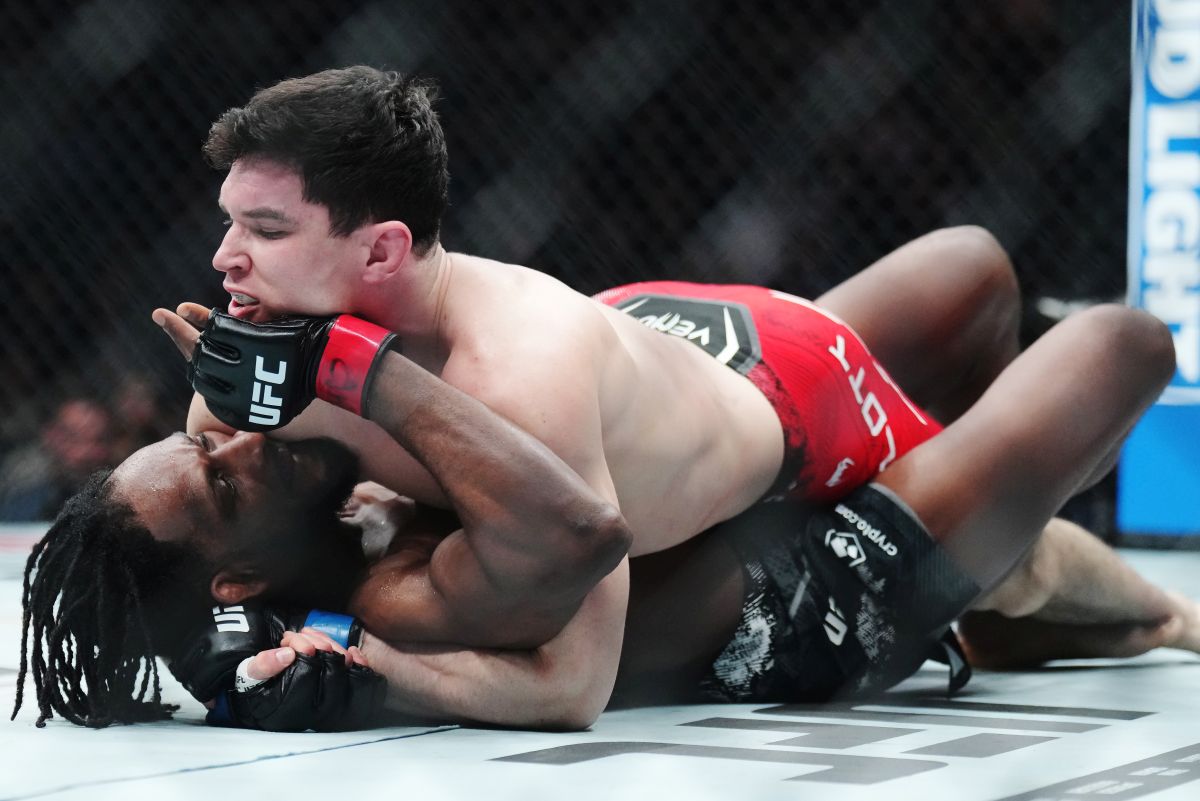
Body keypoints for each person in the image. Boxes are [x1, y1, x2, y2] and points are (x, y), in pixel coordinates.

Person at [13, 66, 1196, 730]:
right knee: (974, 265)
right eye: (229, 225)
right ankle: (1006, 521)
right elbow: (191, 521)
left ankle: (1000, 517)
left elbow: (575, 671)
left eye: (261, 230)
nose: (222, 260)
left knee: (1106, 335)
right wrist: (269, 636)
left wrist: (361, 661)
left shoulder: (512, 382)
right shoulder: (264, 383)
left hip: (787, 425)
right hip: (674, 340)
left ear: (376, 253)